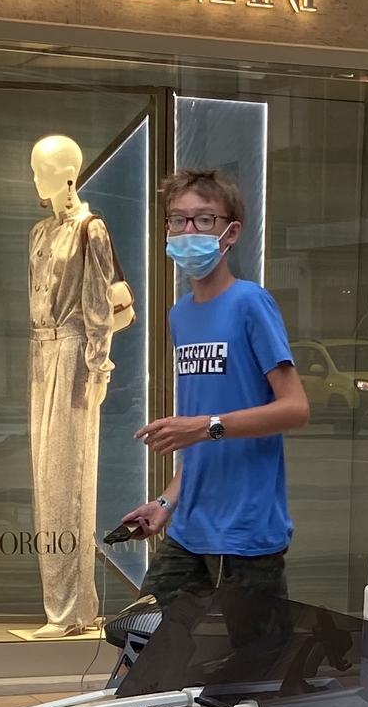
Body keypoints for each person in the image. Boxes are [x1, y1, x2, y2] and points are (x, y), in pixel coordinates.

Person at [118, 170, 309, 621]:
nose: (188, 232)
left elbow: (295, 408)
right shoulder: (180, 315)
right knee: (140, 635)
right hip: (189, 528)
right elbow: (203, 436)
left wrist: (204, 427)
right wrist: (165, 503)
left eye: (203, 220)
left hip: (245, 533)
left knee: (247, 674)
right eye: (178, 220)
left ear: (230, 232)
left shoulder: (251, 302)